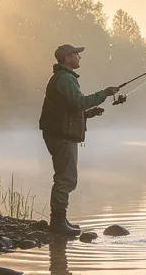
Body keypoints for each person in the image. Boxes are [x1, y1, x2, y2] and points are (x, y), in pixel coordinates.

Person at [39, 44, 120, 236]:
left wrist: (88, 114)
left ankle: (60, 220)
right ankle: (58, 224)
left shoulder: (63, 77)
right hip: (62, 136)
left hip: (59, 134)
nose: (79, 58)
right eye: (77, 54)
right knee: (66, 179)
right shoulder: (65, 78)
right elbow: (78, 102)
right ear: (68, 58)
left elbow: (69, 108)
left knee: (65, 177)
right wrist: (105, 94)